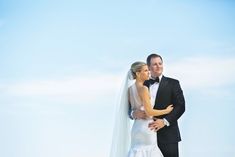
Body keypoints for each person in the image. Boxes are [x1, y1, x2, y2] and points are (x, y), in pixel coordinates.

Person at [109, 61, 173, 157]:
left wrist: (133, 113)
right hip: (148, 127)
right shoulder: (144, 89)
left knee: (137, 151)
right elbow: (149, 112)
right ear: (138, 74)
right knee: (150, 151)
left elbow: (130, 109)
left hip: (136, 129)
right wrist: (166, 111)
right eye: (146, 70)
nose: (149, 72)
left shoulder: (129, 89)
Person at [131, 54, 185, 157]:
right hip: (145, 136)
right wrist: (133, 113)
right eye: (155, 64)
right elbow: (130, 107)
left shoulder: (173, 83)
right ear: (149, 67)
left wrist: (165, 121)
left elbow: (181, 106)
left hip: (168, 136)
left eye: (160, 63)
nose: (158, 66)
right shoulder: (141, 84)